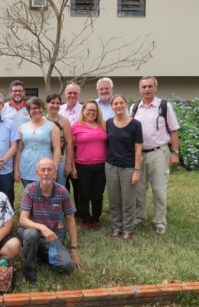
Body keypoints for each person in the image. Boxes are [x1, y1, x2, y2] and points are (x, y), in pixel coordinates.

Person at [18, 158, 81, 284]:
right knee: (31, 234)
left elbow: (70, 218)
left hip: (50, 236)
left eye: (49, 170)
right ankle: (29, 268)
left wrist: (74, 248)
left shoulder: (62, 191)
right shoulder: (30, 189)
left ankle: (40, 252)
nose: (46, 173)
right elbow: (22, 220)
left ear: (55, 173)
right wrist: (42, 227)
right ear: (37, 173)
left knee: (66, 266)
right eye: (43, 170)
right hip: (31, 232)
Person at [131, 76, 180, 235]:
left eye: (149, 86)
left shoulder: (164, 106)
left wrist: (175, 153)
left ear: (155, 88)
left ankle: (160, 222)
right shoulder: (134, 107)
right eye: (144, 87)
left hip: (159, 152)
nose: (146, 89)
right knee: (139, 189)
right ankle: (139, 217)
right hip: (139, 154)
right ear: (140, 89)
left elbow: (173, 130)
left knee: (159, 190)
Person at [105, 95, 143, 242]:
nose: (118, 105)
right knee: (114, 199)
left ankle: (128, 229)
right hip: (111, 166)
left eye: (121, 103)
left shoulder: (135, 124)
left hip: (128, 168)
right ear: (112, 107)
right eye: (115, 103)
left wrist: (136, 170)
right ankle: (116, 227)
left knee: (128, 200)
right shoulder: (108, 123)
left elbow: (138, 149)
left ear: (126, 104)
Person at [72, 100, 107, 229]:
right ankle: (86, 219)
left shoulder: (103, 125)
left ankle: (96, 218)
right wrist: (73, 166)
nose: (91, 112)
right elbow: (71, 147)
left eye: (94, 110)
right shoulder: (76, 126)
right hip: (82, 166)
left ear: (98, 112)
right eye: (89, 109)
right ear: (83, 110)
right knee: (83, 194)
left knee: (97, 194)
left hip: (101, 166)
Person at [14, 97, 61, 187]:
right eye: (33, 108)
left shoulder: (52, 126)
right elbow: (19, 150)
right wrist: (16, 169)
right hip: (26, 166)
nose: (37, 110)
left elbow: (57, 149)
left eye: (39, 108)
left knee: (45, 196)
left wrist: (55, 169)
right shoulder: (22, 127)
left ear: (43, 109)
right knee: (29, 195)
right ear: (28, 111)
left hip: (45, 168)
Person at [59, 82, 83, 216]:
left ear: (79, 94)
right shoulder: (59, 109)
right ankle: (64, 210)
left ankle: (79, 212)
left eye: (75, 93)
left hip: (79, 153)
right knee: (63, 184)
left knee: (78, 185)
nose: (72, 95)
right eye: (70, 92)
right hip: (61, 152)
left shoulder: (84, 110)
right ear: (65, 94)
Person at [45, 93, 73, 186]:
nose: (55, 106)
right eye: (52, 103)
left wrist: (68, 164)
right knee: (46, 185)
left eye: (58, 103)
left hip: (61, 159)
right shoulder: (41, 120)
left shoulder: (64, 120)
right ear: (46, 104)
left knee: (60, 187)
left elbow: (69, 143)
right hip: (45, 159)